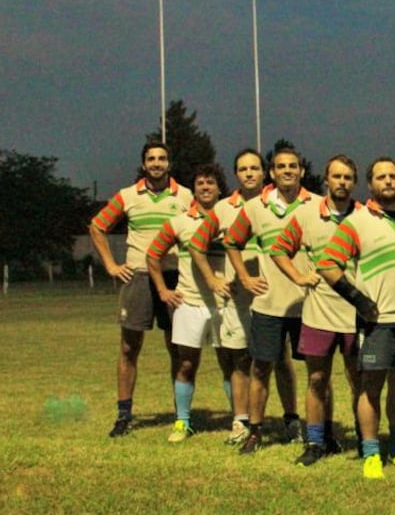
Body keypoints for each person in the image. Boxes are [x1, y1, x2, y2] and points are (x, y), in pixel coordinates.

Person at [317, 157, 395, 480]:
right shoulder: (357, 221)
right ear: (370, 184)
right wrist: (360, 301)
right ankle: (371, 452)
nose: (388, 181)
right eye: (381, 177)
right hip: (377, 322)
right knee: (370, 387)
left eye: (393, 175)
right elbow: (327, 264)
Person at [89, 140, 192, 438]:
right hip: (138, 277)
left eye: (162, 159)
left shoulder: (185, 196)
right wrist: (110, 264)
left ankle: (181, 415)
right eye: (151, 159)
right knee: (128, 347)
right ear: (144, 164)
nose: (157, 163)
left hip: (173, 278)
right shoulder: (127, 196)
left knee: (178, 348)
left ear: (169, 164)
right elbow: (97, 227)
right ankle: (124, 415)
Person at [217, 147, 315, 454]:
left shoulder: (316, 205)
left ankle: (301, 425)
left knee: (314, 371)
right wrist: (245, 278)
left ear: (301, 171)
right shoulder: (257, 207)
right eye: (281, 166)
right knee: (262, 367)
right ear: (271, 173)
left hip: (308, 304)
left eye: (293, 166)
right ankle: (255, 431)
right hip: (268, 304)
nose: (287, 170)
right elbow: (232, 241)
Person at [271, 155, 362, 465]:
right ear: (326, 180)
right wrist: (298, 277)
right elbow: (279, 249)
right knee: (317, 380)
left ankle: (365, 440)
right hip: (318, 314)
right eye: (336, 176)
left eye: (348, 177)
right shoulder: (308, 215)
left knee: (358, 380)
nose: (342, 182)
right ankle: (315, 443)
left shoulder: (363, 216)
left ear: (354, 182)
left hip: (354, 316)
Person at [146, 163, 227, 442]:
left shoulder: (231, 219)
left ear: (219, 188)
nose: (205, 188)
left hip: (223, 304)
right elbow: (153, 255)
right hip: (189, 303)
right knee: (186, 364)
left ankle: (238, 422)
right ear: (194, 189)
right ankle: (183, 422)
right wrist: (162, 291)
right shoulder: (180, 222)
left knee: (231, 364)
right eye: (201, 183)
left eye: (211, 183)